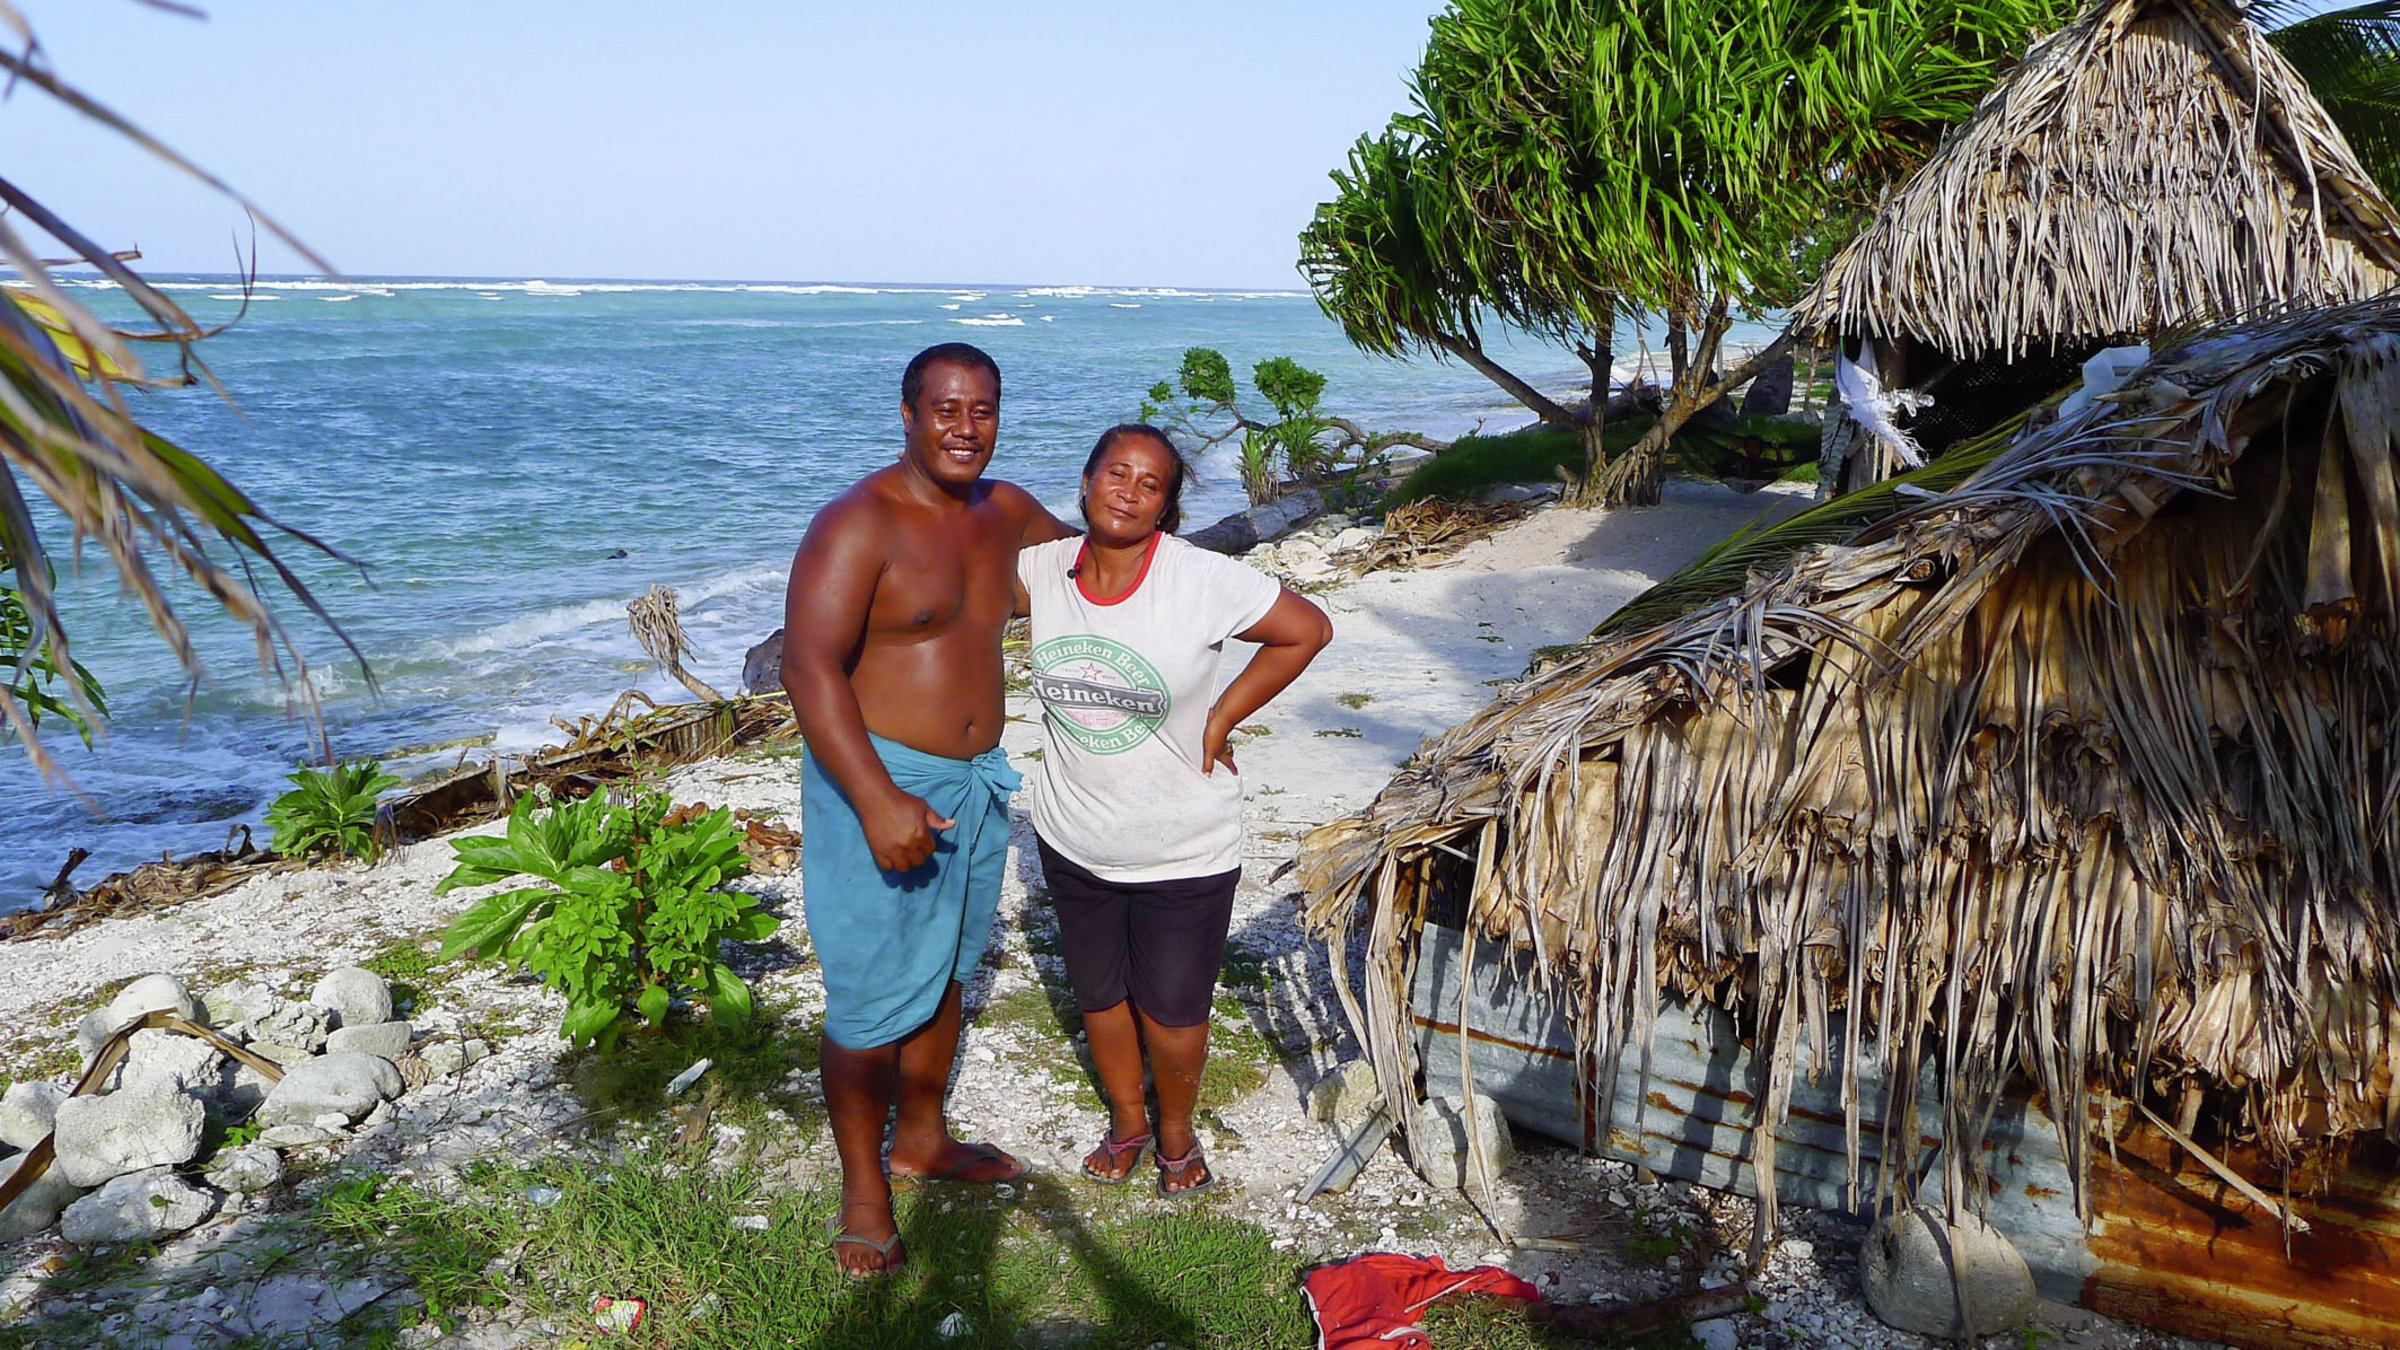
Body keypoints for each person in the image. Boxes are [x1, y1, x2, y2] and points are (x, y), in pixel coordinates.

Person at [780, 341, 1071, 1278]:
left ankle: (925, 1138)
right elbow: (806, 665)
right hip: (879, 778)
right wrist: (874, 798)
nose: (964, 428)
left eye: (982, 410)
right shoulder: (858, 523)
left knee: (946, 965)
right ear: (907, 415)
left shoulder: (1007, 512)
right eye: (945, 409)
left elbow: (1089, 575)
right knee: (869, 996)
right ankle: (864, 1191)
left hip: (977, 780)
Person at [1017, 423, 1332, 1197]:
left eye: (1149, 483)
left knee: (1174, 1004)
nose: (1128, 489)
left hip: (1182, 840)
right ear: (1086, 482)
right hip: (1072, 830)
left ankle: (1177, 1134)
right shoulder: (1040, 568)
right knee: (1099, 991)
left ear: (1166, 507)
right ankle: (1127, 1122)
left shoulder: (1199, 577)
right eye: (1114, 473)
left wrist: (1221, 718)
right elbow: (959, 539)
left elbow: (1306, 630)